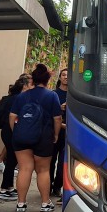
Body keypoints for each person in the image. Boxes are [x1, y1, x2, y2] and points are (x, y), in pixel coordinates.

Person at [10, 64, 62, 212]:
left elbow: (12, 116)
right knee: (43, 170)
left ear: (33, 80)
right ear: (47, 80)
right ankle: (45, 203)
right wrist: (56, 134)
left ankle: (21, 203)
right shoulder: (52, 95)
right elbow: (57, 118)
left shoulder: (22, 95)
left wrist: (17, 131)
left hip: (22, 137)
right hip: (43, 136)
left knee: (24, 168)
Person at [0, 74, 32, 200]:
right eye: (30, 84)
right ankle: (4, 189)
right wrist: (15, 132)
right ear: (24, 86)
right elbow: (14, 117)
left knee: (12, 159)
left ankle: (9, 186)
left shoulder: (11, 97)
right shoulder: (19, 99)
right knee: (11, 160)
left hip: (7, 131)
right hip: (11, 131)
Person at [50, 68, 67, 200]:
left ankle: (57, 186)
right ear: (60, 77)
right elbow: (48, 114)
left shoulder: (74, 95)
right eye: (64, 75)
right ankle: (47, 184)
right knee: (50, 160)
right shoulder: (54, 94)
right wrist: (59, 107)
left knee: (63, 162)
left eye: (68, 75)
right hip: (54, 131)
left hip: (69, 132)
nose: (66, 77)